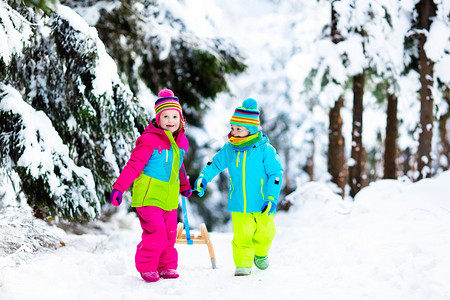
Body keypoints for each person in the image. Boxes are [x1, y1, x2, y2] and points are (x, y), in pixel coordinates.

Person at [110, 88, 192, 282]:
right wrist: (119, 187)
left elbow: (178, 167)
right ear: (158, 118)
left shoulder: (182, 143)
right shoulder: (148, 140)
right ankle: (147, 266)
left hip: (169, 197)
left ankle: (165, 266)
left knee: (170, 234)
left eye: (175, 116)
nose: (171, 120)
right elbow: (134, 165)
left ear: (181, 120)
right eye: (166, 116)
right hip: (148, 196)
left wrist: (184, 185)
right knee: (156, 233)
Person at [194, 98, 283, 276]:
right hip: (239, 203)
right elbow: (215, 164)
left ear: (250, 130)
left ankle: (261, 252)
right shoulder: (230, 149)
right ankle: (243, 264)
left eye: (238, 129)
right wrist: (204, 177)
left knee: (266, 232)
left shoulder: (266, 150)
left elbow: (276, 175)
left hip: (263, 202)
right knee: (242, 235)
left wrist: (271, 198)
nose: (233, 132)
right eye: (232, 128)